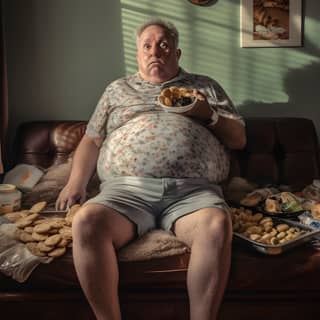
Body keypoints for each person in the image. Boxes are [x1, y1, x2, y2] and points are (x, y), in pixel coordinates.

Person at [56, 18, 246, 320]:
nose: (155, 51)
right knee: (86, 222)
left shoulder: (204, 87)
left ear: (177, 53)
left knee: (216, 225)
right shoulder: (118, 89)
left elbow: (238, 139)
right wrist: (75, 182)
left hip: (193, 192)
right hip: (126, 191)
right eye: (147, 45)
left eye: (163, 45)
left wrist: (206, 113)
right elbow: (92, 140)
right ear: (138, 53)